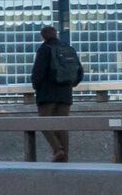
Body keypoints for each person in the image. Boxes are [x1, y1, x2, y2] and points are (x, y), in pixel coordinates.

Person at [29, 24, 83, 161]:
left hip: (47, 94)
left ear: (43, 37)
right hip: (65, 94)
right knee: (62, 125)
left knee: (44, 122)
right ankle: (65, 157)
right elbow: (79, 72)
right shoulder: (68, 48)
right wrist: (70, 84)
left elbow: (38, 72)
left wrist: (37, 87)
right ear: (56, 34)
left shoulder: (44, 49)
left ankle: (58, 150)